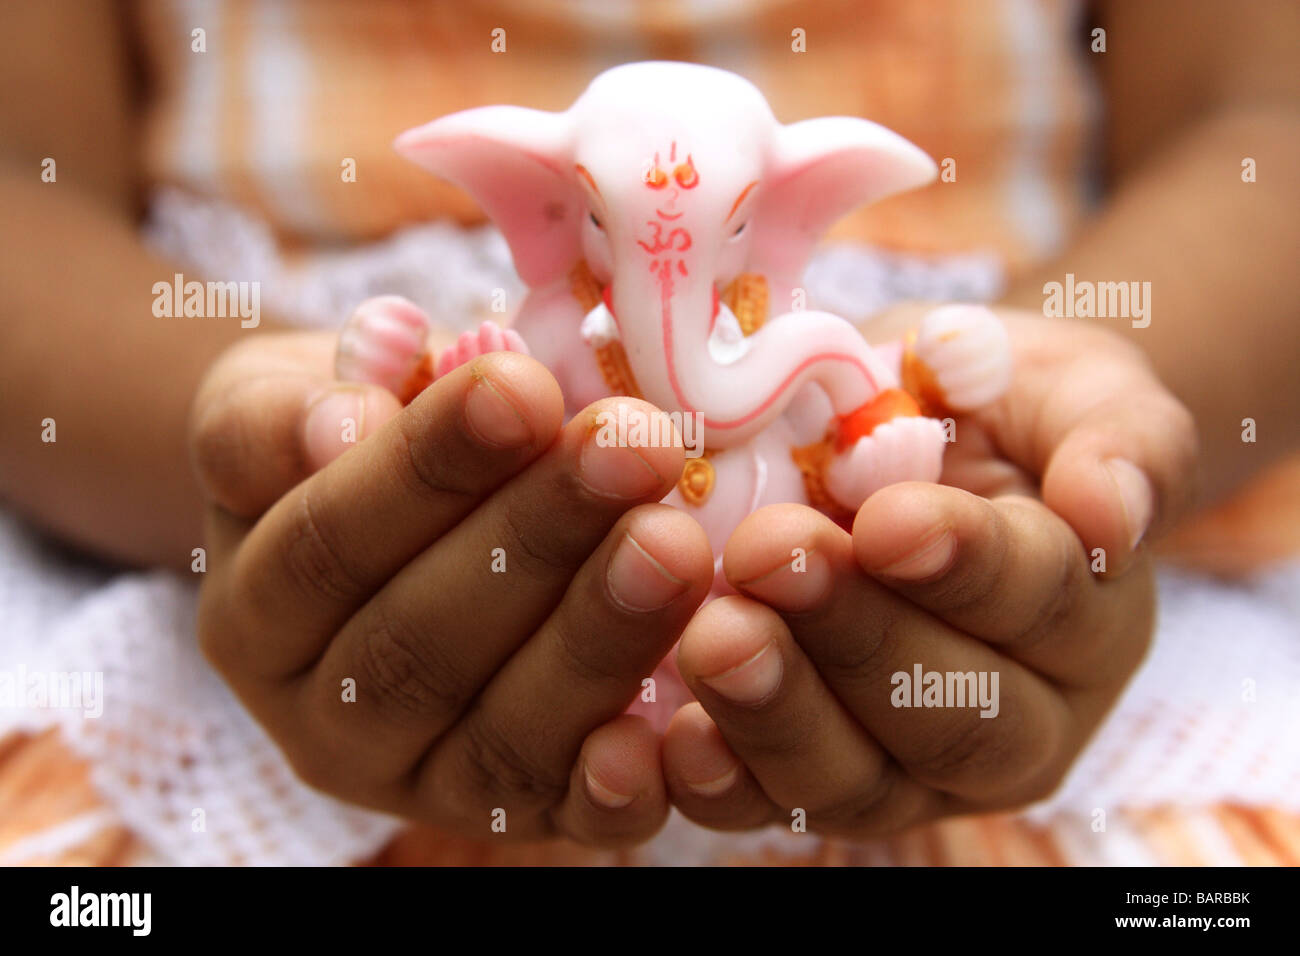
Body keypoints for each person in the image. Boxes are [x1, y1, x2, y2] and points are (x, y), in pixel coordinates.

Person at [0, 1, 1295, 863]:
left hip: (1012, 642)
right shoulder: (561, 328)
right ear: (554, 215)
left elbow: (1263, 128)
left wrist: (964, 419)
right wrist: (341, 461)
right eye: (616, 240)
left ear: (785, 215)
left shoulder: (796, 325)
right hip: (198, 571)